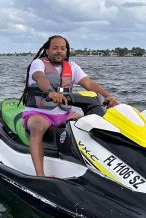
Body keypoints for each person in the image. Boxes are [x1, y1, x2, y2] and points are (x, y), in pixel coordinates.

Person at [22, 35, 118, 177]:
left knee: (93, 126)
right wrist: (50, 92)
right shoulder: (39, 64)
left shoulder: (72, 67)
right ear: (47, 51)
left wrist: (108, 96)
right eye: (55, 48)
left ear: (66, 51)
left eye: (62, 48)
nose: (59, 51)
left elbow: (89, 84)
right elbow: (39, 77)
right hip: (39, 113)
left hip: (64, 114)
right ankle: (40, 175)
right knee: (37, 128)